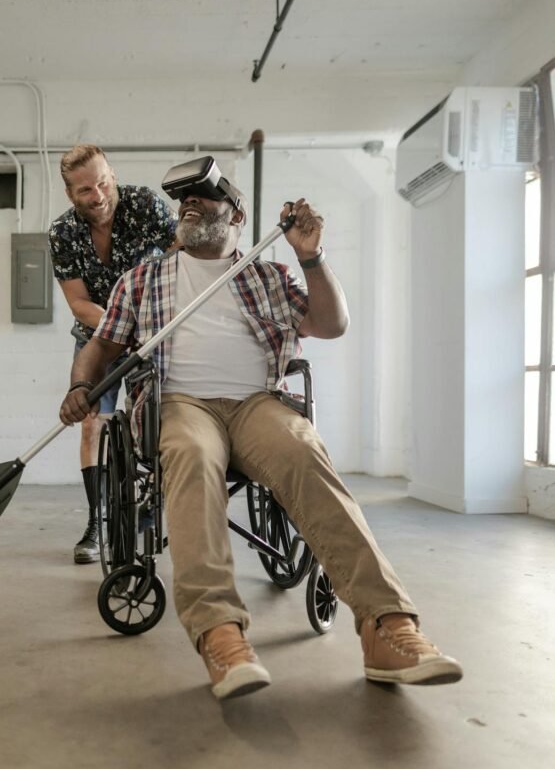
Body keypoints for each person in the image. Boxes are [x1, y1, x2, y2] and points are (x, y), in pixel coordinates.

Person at [59, 160, 463, 699]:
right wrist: (78, 387)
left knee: (301, 449)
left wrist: (310, 256)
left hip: (257, 403)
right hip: (180, 404)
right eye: (186, 202)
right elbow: (100, 348)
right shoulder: (143, 279)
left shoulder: (265, 276)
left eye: (205, 199)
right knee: (192, 454)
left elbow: (330, 324)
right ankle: (220, 634)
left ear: (238, 216)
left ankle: (387, 627)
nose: (190, 206)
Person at [48, 144, 177, 563]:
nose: (98, 195)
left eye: (103, 182)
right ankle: (98, 520)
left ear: (113, 175)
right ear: (71, 195)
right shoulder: (62, 233)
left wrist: (148, 320)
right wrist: (117, 327)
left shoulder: (145, 206)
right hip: (98, 335)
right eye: (85, 189)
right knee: (92, 424)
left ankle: (151, 504)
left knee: (155, 423)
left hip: (149, 336)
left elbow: (184, 258)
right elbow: (78, 302)